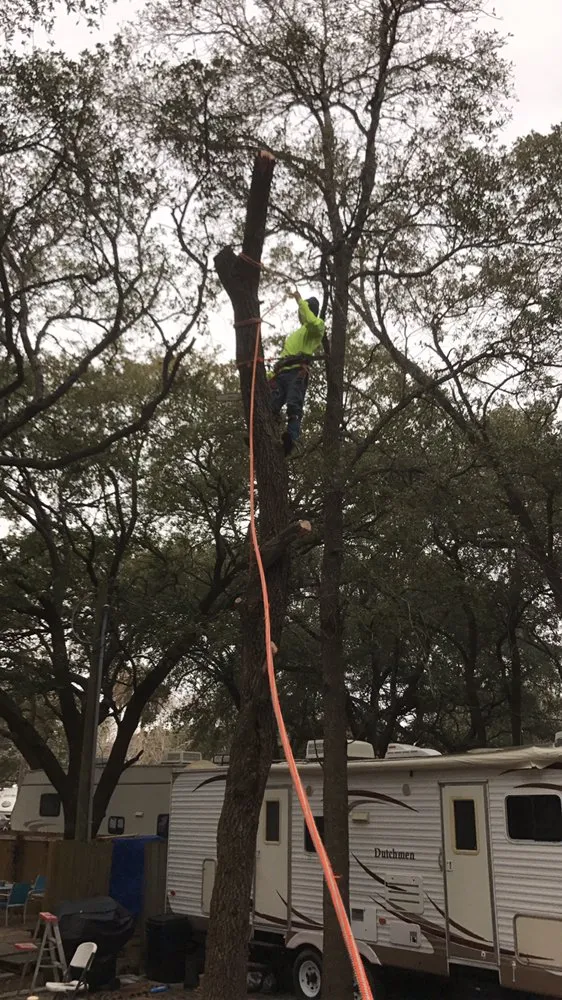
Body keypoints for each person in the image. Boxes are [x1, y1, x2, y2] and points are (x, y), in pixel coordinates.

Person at [269, 290, 325, 455]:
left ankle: (290, 439)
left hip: (297, 372)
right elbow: (283, 357)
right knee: (271, 405)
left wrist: (300, 301)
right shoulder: (294, 335)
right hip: (282, 373)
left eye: (304, 310)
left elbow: (312, 322)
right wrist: (271, 376)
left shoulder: (317, 327)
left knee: (294, 404)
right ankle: (263, 437)